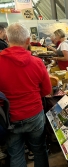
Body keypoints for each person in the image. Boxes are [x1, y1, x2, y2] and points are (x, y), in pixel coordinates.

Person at [0, 23, 51, 167]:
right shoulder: (37, 62)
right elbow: (46, 91)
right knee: (39, 149)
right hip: (34, 114)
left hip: (10, 118)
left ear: (8, 39)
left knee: (15, 153)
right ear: (28, 40)